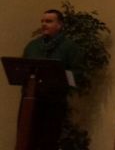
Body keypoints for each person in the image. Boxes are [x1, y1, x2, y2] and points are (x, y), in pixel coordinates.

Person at [21, 9, 83, 150]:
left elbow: (78, 74)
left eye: (49, 21)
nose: (44, 24)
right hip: (30, 101)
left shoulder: (70, 48)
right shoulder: (32, 46)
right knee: (25, 140)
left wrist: (57, 75)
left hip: (53, 103)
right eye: (42, 21)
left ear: (59, 25)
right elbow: (22, 70)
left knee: (46, 143)